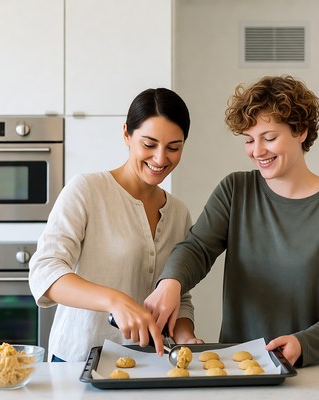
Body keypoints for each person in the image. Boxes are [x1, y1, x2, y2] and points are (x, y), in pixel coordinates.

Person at [145, 75, 319, 367]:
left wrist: (303, 344)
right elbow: (197, 248)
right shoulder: (235, 191)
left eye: (269, 138)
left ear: (301, 131)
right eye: (249, 140)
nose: (257, 151)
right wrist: (171, 282)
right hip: (245, 366)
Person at [29, 88, 202, 362]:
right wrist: (114, 300)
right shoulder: (87, 190)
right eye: (149, 144)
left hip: (151, 364)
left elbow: (179, 297)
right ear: (126, 134)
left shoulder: (178, 212)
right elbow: (45, 272)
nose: (160, 158)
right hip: (78, 361)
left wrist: (186, 339)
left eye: (173, 147)